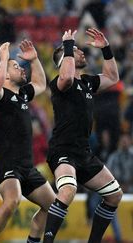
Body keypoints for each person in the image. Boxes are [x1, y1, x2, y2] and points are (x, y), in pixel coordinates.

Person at [43, 28, 123, 243]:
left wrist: (106, 48)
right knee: (68, 190)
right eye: (76, 51)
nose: (81, 53)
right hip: (63, 150)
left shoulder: (87, 82)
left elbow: (112, 77)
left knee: (114, 195)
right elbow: (67, 76)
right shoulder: (59, 83)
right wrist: (68, 45)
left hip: (84, 153)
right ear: (64, 58)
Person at [0, 40, 56, 243]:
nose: (21, 68)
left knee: (53, 206)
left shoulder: (23, 95)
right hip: (6, 162)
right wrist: (4, 59)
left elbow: (41, 84)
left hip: (26, 165)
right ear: (5, 74)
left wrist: (34, 60)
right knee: (12, 200)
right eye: (16, 66)